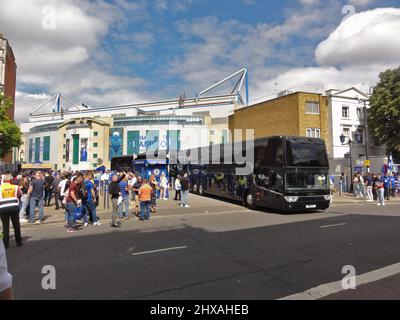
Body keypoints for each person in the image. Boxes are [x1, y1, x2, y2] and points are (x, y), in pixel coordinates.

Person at [0, 175, 23, 249]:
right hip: (14, 207)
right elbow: (19, 195)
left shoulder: (0, 188)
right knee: (16, 225)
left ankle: (5, 244)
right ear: (10, 180)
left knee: (5, 227)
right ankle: (18, 242)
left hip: (3, 208)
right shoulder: (16, 187)